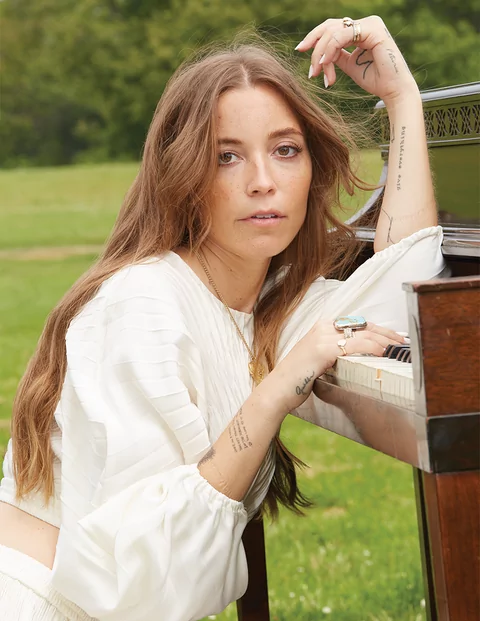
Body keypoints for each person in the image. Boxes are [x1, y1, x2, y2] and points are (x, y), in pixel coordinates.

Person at [0, 14, 445, 621]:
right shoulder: (144, 305)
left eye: (285, 151)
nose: (264, 182)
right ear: (183, 176)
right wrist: (276, 390)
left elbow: (402, 286)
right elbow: (146, 581)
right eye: (226, 157)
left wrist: (403, 99)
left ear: (311, 169)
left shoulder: (268, 304)